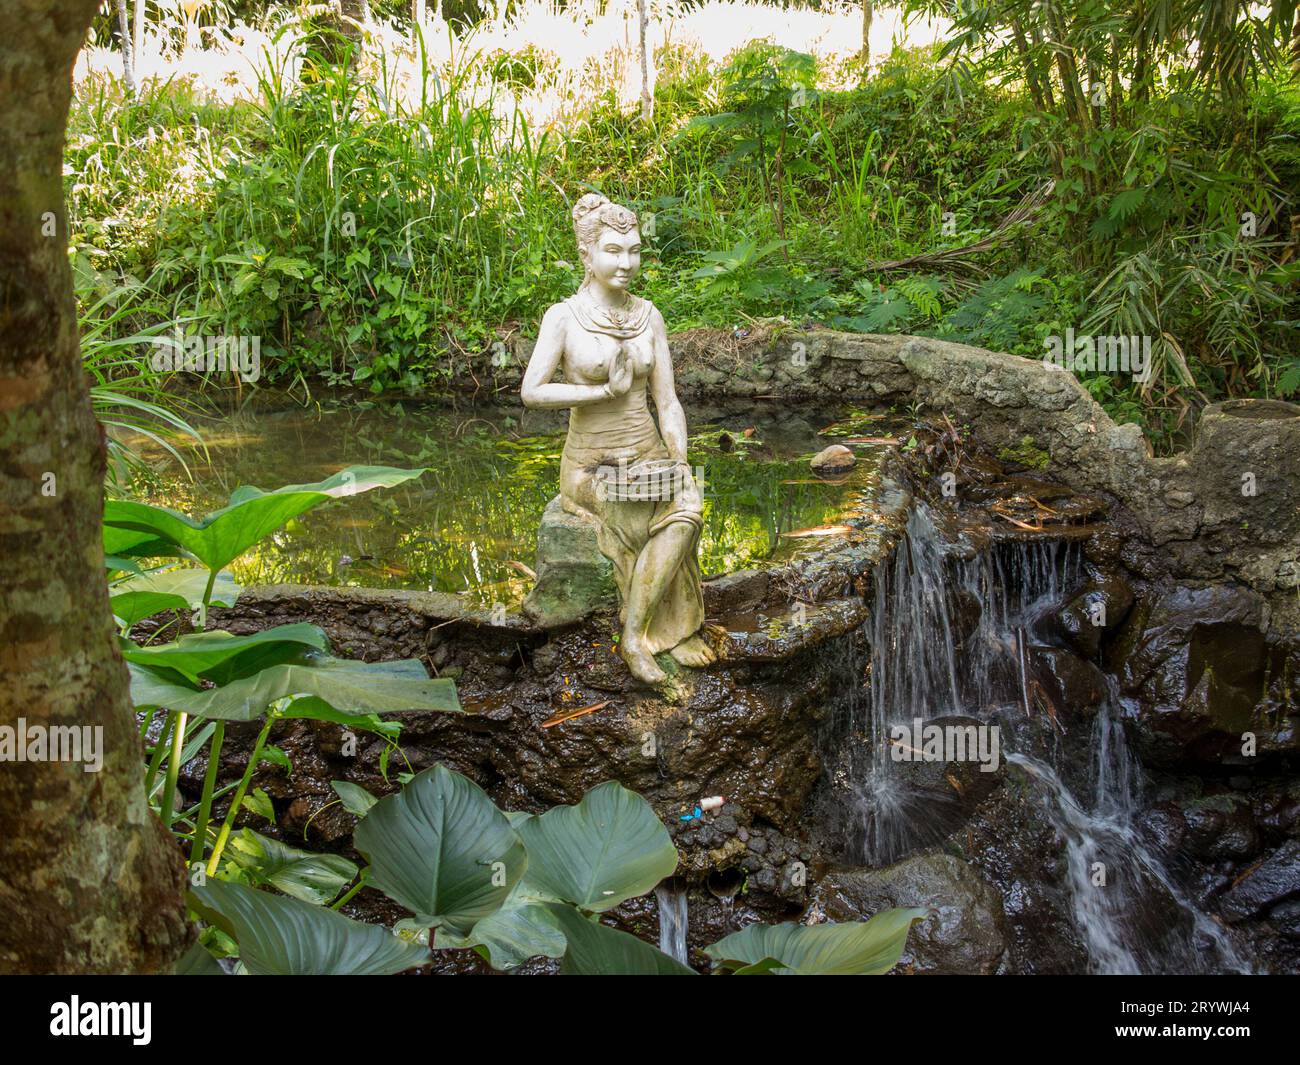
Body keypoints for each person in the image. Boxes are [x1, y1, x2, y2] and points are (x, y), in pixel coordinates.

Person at [521, 193, 716, 684]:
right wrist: (599, 390)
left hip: (648, 452)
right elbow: (531, 391)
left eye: (633, 250)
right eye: (614, 250)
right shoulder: (563, 316)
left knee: (684, 508)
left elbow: (667, 401)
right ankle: (636, 640)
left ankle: (649, 630)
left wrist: (678, 457)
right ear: (586, 255)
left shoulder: (650, 315)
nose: (627, 262)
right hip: (592, 463)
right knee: (631, 508)